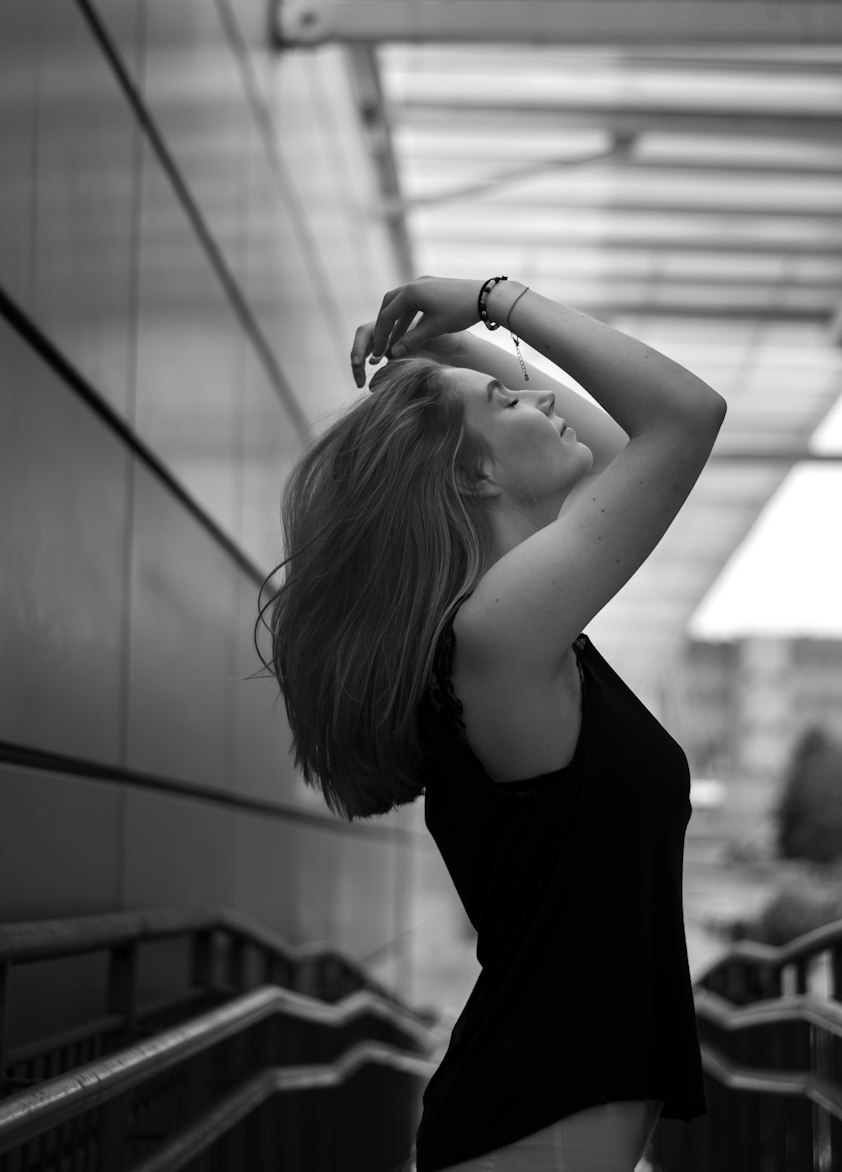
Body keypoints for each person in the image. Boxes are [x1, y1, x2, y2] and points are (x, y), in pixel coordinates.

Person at [263, 276, 726, 1172]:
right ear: (473, 473)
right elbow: (681, 418)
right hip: (534, 1132)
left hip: (542, 1125)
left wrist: (452, 355)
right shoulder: (496, 639)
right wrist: (490, 299)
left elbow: (639, 436)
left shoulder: (511, 636)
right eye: (512, 399)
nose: (543, 396)